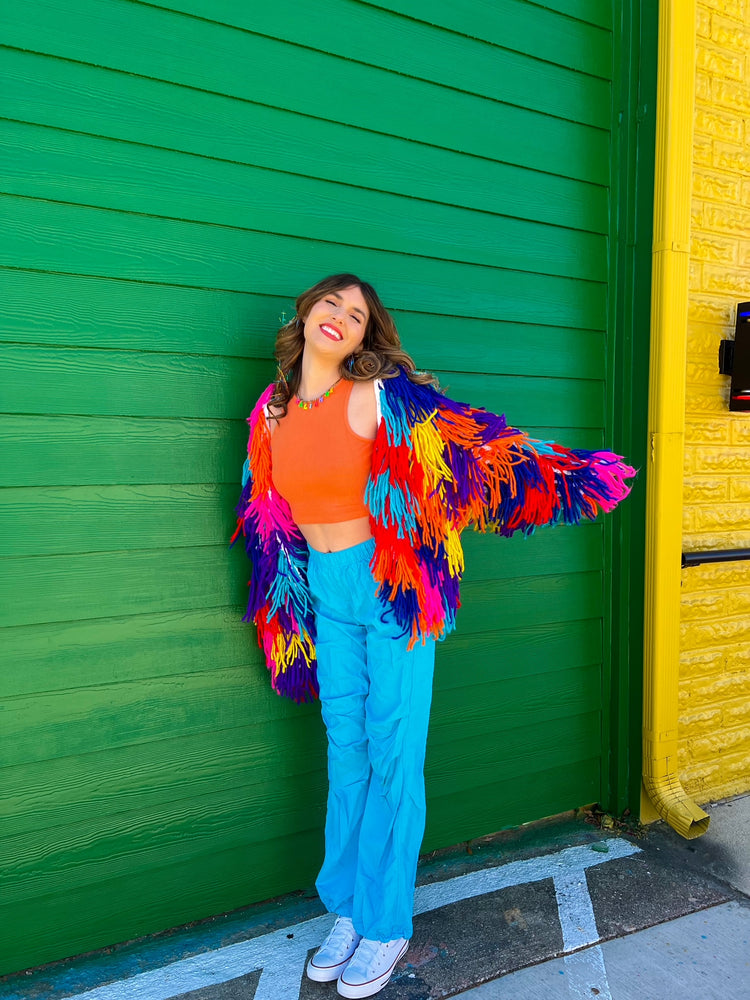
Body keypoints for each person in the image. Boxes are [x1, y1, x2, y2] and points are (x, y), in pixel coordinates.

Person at [231, 273, 635, 998]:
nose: (342, 318)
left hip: (388, 589)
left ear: (364, 336)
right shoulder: (272, 411)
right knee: (346, 751)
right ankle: (350, 909)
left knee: (393, 752)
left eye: (357, 315)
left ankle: (387, 924)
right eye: (332, 304)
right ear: (305, 312)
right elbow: (268, 521)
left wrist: (569, 476)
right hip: (325, 591)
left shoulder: (378, 396)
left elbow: (477, 452)